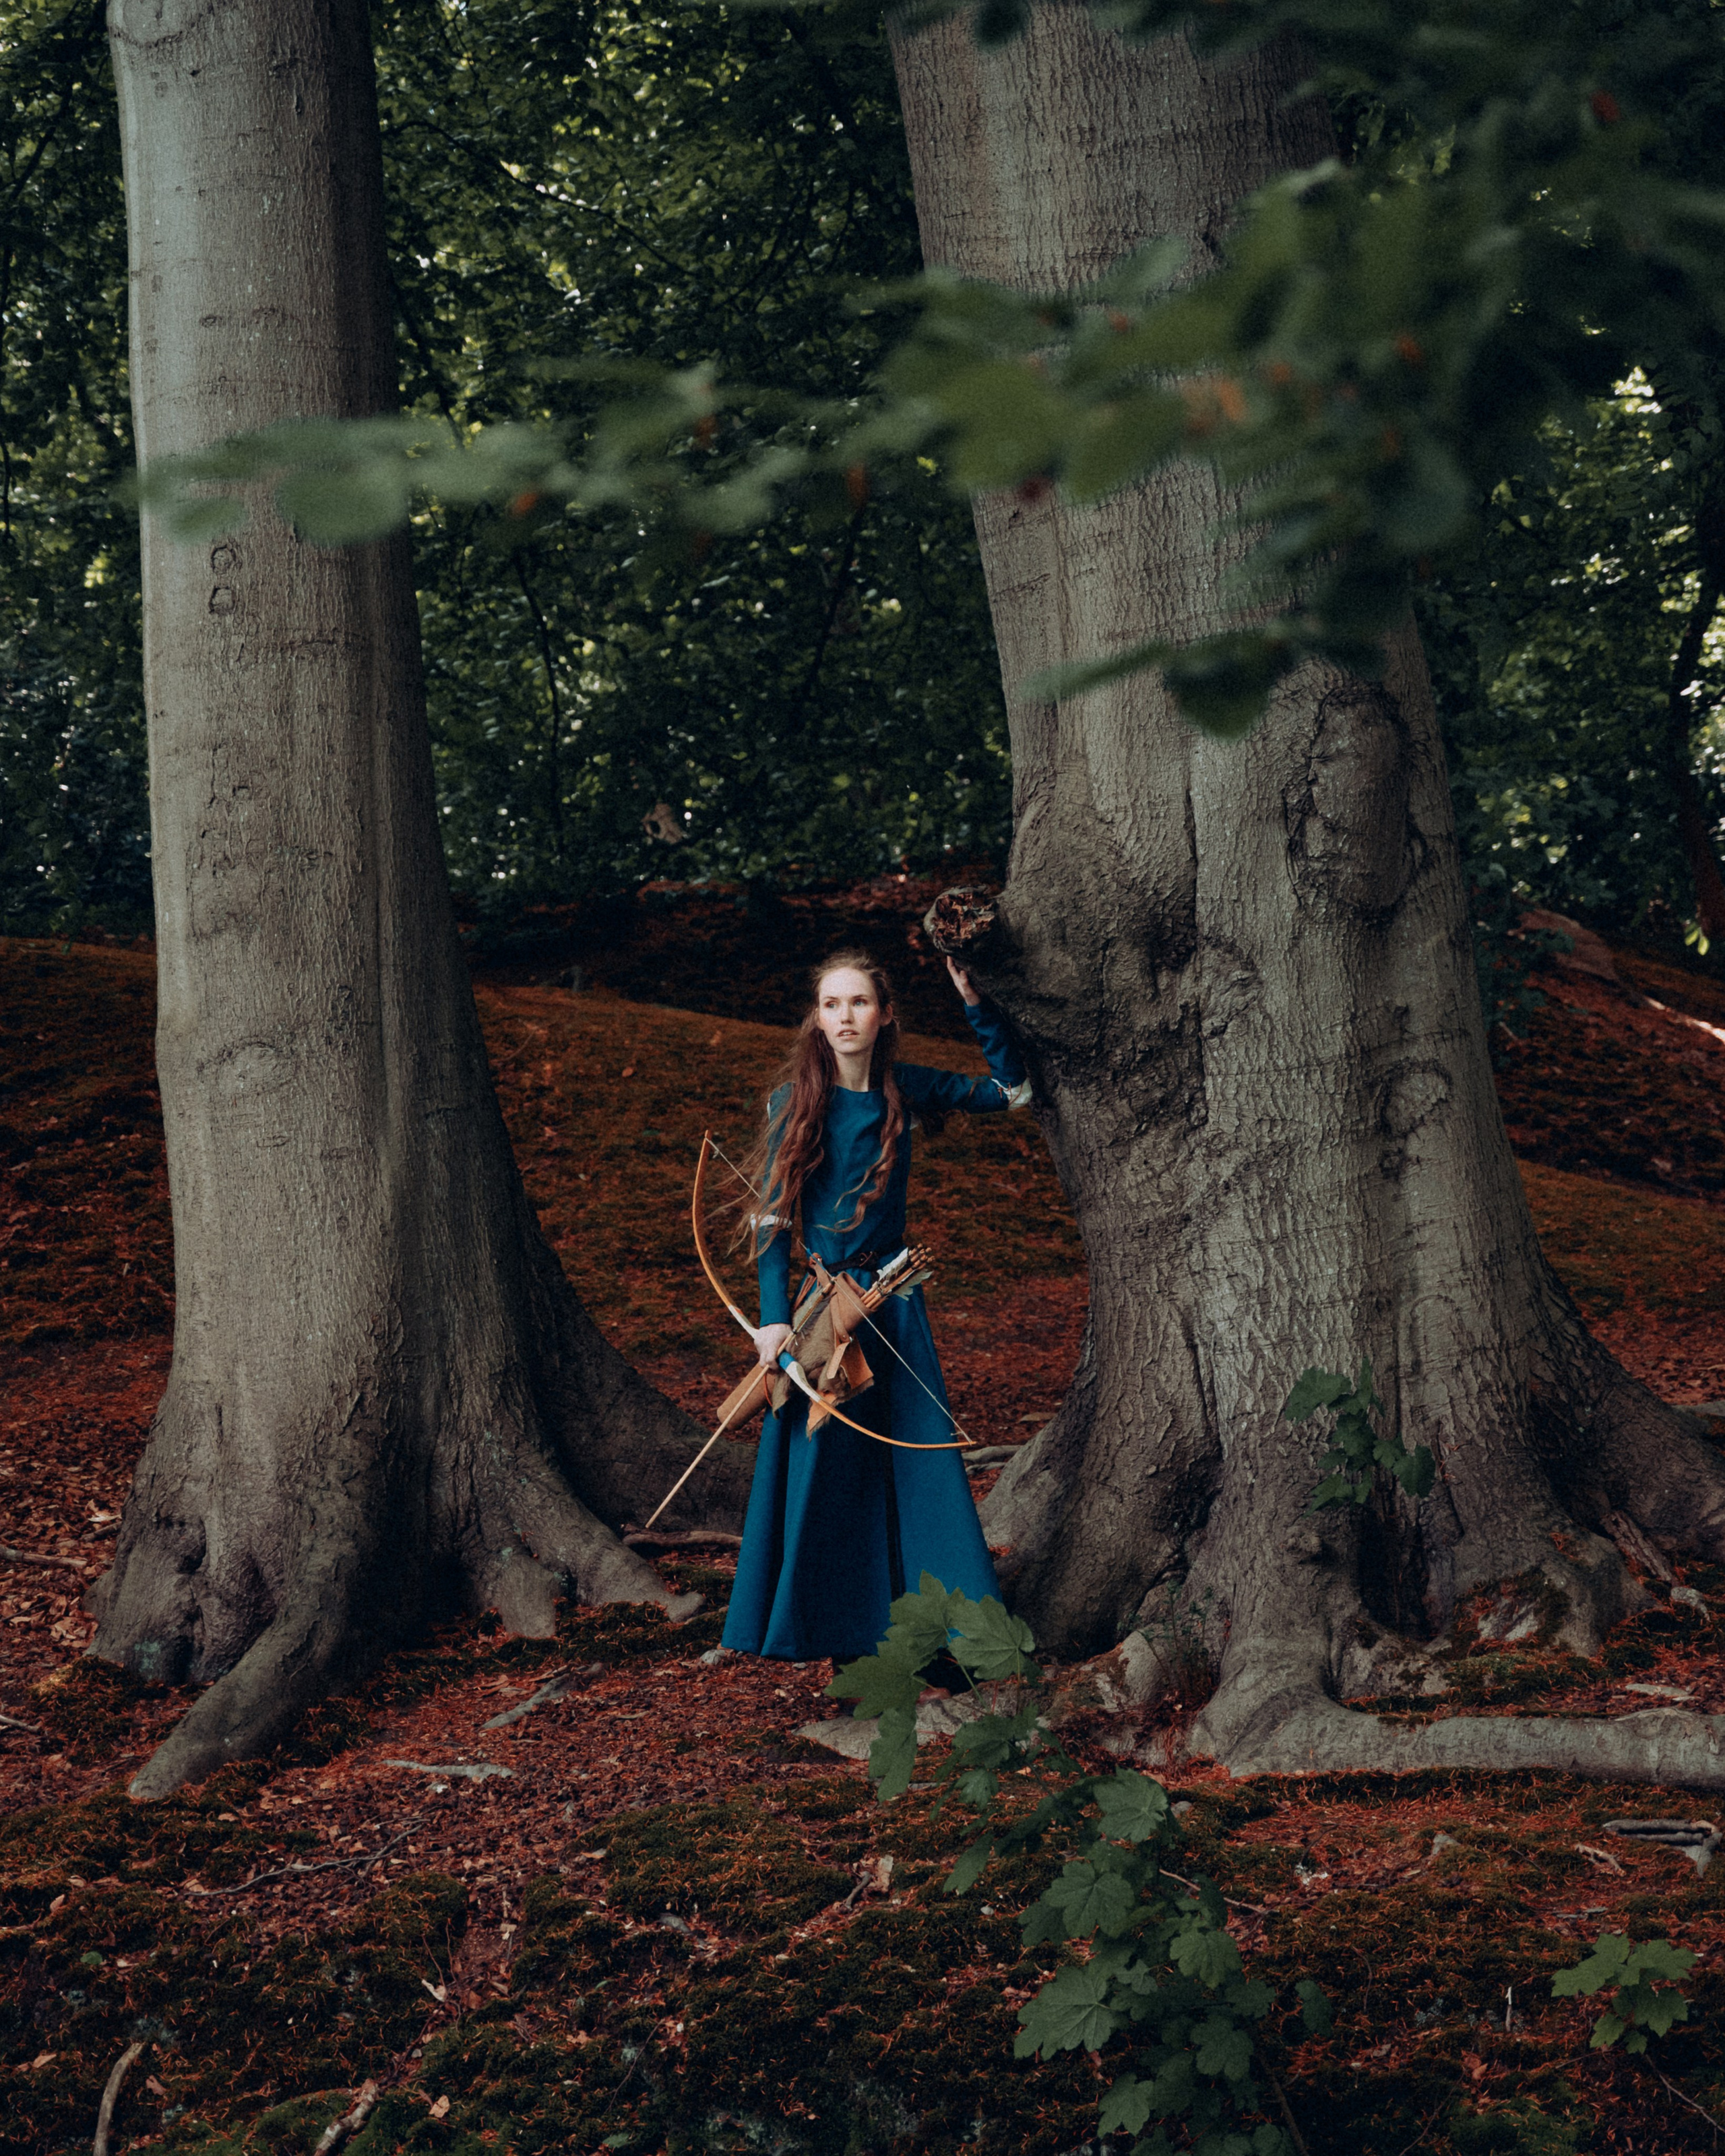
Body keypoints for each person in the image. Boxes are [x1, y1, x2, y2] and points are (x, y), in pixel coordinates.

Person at [720, 947, 1032, 1664]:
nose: (844, 1016)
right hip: (825, 1311)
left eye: (858, 1001)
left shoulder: (906, 1088)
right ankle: (836, 1634)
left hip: (892, 1303)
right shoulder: (796, 1102)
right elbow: (770, 1221)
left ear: (884, 1012)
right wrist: (773, 1318)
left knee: (913, 1463)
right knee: (828, 1465)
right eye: (831, 1004)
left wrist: (976, 1003)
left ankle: (949, 1641)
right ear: (817, 1019)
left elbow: (1011, 1092)